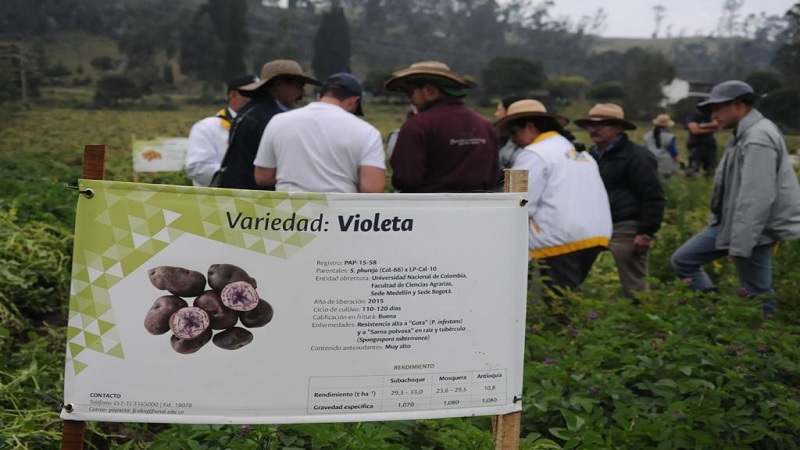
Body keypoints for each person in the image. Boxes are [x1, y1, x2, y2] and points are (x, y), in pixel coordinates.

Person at [671, 80, 800, 317]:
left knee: (757, 291)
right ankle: (714, 312)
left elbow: (756, 196)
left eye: (717, 109)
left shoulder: (758, 137)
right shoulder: (745, 133)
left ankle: (765, 339)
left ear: (738, 105)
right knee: (683, 260)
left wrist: (743, 242)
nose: (713, 116)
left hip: (754, 228)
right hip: (733, 223)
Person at [496, 99, 612, 295]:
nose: (512, 140)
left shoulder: (531, 154)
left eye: (514, 133)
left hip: (557, 239)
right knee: (569, 297)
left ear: (530, 127)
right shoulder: (578, 152)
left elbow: (515, 201)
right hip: (594, 235)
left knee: (559, 307)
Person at [576, 103, 665, 298]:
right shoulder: (590, 156)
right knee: (571, 272)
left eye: (603, 124)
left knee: (635, 285)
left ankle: (643, 321)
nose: (594, 129)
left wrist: (646, 232)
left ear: (618, 128)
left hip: (626, 224)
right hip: (595, 224)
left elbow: (652, 195)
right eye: (591, 125)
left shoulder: (636, 156)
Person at [253, 73, 386, 193]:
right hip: (339, 214)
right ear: (354, 101)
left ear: (319, 96)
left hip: (290, 213)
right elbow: (372, 188)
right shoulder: (367, 132)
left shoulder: (278, 121)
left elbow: (262, 177)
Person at [383, 61, 500, 193]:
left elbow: (406, 178)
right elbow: (494, 175)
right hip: (480, 208)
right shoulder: (485, 125)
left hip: (429, 208)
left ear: (429, 91)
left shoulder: (417, 125)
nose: (410, 100)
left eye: (410, 93)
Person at [218, 59, 320, 190]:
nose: (302, 93)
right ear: (279, 85)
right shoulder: (269, 118)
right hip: (257, 199)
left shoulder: (250, 112)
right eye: (299, 86)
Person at [184, 75, 257, 187]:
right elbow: (197, 168)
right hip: (216, 200)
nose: (258, 100)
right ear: (233, 96)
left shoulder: (266, 125)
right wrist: (243, 175)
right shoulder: (206, 127)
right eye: (253, 94)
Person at [643, 113, 684, 178]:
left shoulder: (647, 135)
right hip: (666, 165)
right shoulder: (669, 137)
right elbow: (673, 152)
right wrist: (681, 162)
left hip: (650, 162)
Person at [685, 110, 719, 177]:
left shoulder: (712, 116)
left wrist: (699, 126)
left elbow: (717, 124)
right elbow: (694, 130)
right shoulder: (693, 117)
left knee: (711, 169)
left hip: (709, 145)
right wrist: (710, 128)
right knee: (693, 168)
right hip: (695, 145)